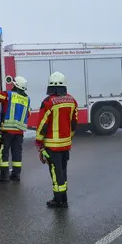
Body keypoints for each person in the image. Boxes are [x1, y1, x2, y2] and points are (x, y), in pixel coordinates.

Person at [36, 72, 78, 208]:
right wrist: (69, 137)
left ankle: (58, 200)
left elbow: (43, 124)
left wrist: (39, 141)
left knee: (55, 172)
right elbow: (74, 122)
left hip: (52, 145)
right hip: (66, 145)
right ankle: (63, 198)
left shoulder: (48, 102)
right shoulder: (72, 100)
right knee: (63, 171)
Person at [0, 76, 31, 182]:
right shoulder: (27, 99)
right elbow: (28, 114)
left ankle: (4, 176)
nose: (12, 85)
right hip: (19, 132)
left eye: (13, 84)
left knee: (3, 152)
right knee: (17, 153)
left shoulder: (9, 95)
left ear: (16, 86)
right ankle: (16, 175)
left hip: (7, 131)